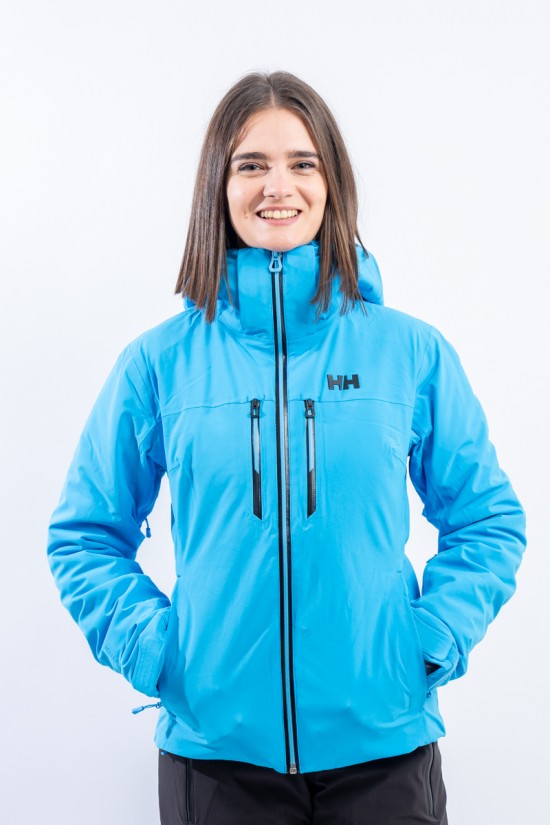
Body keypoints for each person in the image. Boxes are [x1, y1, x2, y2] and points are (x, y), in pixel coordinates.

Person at [47, 71, 526, 825]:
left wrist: (431, 639)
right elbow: (84, 534)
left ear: (332, 182)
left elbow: (488, 518)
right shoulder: (158, 363)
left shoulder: (410, 352)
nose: (279, 186)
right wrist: (156, 651)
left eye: (303, 162)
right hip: (217, 757)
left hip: (385, 748)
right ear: (219, 185)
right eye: (252, 164)